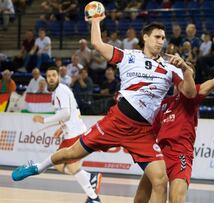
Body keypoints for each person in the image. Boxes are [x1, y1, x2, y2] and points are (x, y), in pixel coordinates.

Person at [12, 15, 196, 203]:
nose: (161, 41)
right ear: (145, 38)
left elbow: (189, 93)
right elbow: (97, 43)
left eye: (163, 38)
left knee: (160, 180)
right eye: (157, 37)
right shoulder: (128, 56)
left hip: (143, 132)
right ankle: (37, 167)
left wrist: (187, 72)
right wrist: (96, 21)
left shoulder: (171, 67)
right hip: (116, 121)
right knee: (72, 153)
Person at [134, 40, 214, 203]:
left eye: (188, 73)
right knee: (139, 199)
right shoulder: (163, 103)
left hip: (180, 153)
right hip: (158, 155)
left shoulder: (191, 97)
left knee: (176, 199)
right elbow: (151, 132)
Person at [14, 66, 102, 203]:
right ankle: (92, 186)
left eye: (54, 75)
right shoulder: (56, 93)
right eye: (48, 76)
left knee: (62, 163)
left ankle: (93, 195)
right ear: (46, 78)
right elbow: (69, 112)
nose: (51, 78)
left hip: (75, 133)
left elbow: (66, 113)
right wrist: (62, 128)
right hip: (71, 132)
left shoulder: (61, 90)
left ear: (58, 77)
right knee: (60, 166)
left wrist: (44, 120)